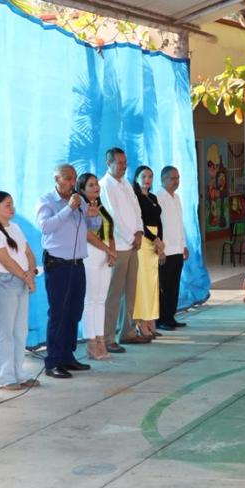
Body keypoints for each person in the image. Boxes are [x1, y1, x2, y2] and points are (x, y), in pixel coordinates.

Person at [37, 163, 103, 379]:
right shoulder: (47, 201)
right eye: (67, 178)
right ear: (57, 179)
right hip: (58, 265)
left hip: (77, 264)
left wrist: (93, 215)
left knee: (74, 312)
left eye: (74, 178)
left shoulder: (79, 200)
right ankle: (53, 361)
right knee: (59, 313)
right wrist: (68, 208)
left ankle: (67, 356)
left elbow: (93, 227)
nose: (72, 182)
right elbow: (45, 227)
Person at [0, 191, 43, 389]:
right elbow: (6, 261)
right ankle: (4, 377)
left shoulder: (15, 227)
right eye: (7, 205)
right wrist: (26, 277)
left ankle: (19, 372)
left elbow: (28, 253)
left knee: (20, 330)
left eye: (12, 204)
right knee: (5, 331)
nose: (12, 208)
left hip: (21, 281)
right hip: (3, 283)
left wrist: (30, 274)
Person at [100, 148, 147, 346]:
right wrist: (130, 236)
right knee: (114, 294)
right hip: (118, 246)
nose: (123, 166)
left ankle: (128, 331)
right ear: (109, 163)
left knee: (130, 292)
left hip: (133, 244)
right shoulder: (105, 185)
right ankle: (108, 337)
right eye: (119, 163)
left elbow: (137, 210)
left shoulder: (126, 183)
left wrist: (139, 231)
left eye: (125, 162)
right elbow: (112, 217)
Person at [78, 172, 119, 357]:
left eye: (96, 184)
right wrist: (107, 250)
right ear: (82, 189)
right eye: (91, 185)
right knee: (90, 300)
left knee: (101, 300)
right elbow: (87, 234)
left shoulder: (100, 206)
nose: (96, 187)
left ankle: (101, 340)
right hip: (90, 254)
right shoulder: (82, 207)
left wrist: (112, 251)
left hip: (105, 254)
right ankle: (91, 343)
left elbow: (110, 232)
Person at [131, 166, 164, 337]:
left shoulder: (152, 197)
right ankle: (141, 322)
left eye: (150, 176)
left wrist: (160, 242)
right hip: (144, 241)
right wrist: (154, 239)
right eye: (143, 176)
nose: (147, 180)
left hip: (155, 241)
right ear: (137, 178)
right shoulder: (135, 197)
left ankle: (151, 319)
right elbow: (140, 222)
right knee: (142, 283)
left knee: (153, 283)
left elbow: (159, 221)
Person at [156, 165, 189, 329]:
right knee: (164, 286)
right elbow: (158, 226)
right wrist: (160, 249)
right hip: (165, 250)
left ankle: (171, 316)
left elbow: (179, 224)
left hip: (177, 249)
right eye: (172, 178)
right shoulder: (158, 197)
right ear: (163, 179)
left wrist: (184, 245)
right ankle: (162, 319)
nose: (176, 181)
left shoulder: (177, 198)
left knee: (174, 285)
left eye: (178, 178)